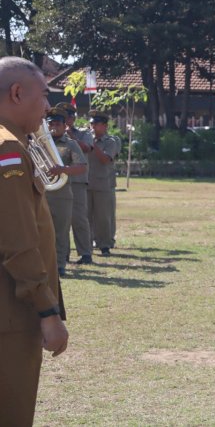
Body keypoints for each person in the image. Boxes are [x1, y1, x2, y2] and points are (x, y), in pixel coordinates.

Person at [0, 56, 69, 425]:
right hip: (10, 318)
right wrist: (48, 311)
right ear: (16, 93)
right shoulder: (7, 149)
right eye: (43, 96)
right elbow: (18, 241)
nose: (47, 107)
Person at [45, 107, 87, 276]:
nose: (54, 126)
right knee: (41, 231)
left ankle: (60, 264)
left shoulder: (71, 144)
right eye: (51, 123)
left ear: (64, 125)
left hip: (61, 194)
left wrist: (62, 169)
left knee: (61, 232)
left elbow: (81, 167)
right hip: (41, 192)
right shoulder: (39, 143)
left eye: (57, 123)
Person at [56, 102, 95, 265]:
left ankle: (85, 253)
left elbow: (87, 148)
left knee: (79, 218)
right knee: (61, 219)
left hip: (77, 181)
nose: (68, 119)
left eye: (70, 116)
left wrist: (70, 135)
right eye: (65, 117)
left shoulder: (84, 133)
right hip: (59, 181)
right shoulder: (54, 136)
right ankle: (62, 254)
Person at [87, 110, 118, 257]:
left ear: (104, 126)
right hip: (86, 183)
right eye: (91, 123)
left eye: (96, 124)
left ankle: (105, 244)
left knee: (103, 217)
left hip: (103, 184)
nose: (92, 126)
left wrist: (92, 144)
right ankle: (87, 244)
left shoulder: (110, 141)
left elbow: (105, 159)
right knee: (86, 216)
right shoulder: (85, 139)